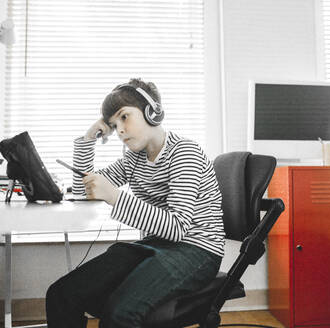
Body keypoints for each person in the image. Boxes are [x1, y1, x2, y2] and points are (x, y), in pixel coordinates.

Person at [45, 78, 225, 328]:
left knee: (119, 313)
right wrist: (88, 138)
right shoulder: (134, 159)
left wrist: (115, 196)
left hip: (197, 248)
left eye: (124, 117)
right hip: (156, 244)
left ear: (152, 112)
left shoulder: (185, 152)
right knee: (62, 294)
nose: (119, 130)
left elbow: (176, 228)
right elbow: (84, 189)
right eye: (113, 124)